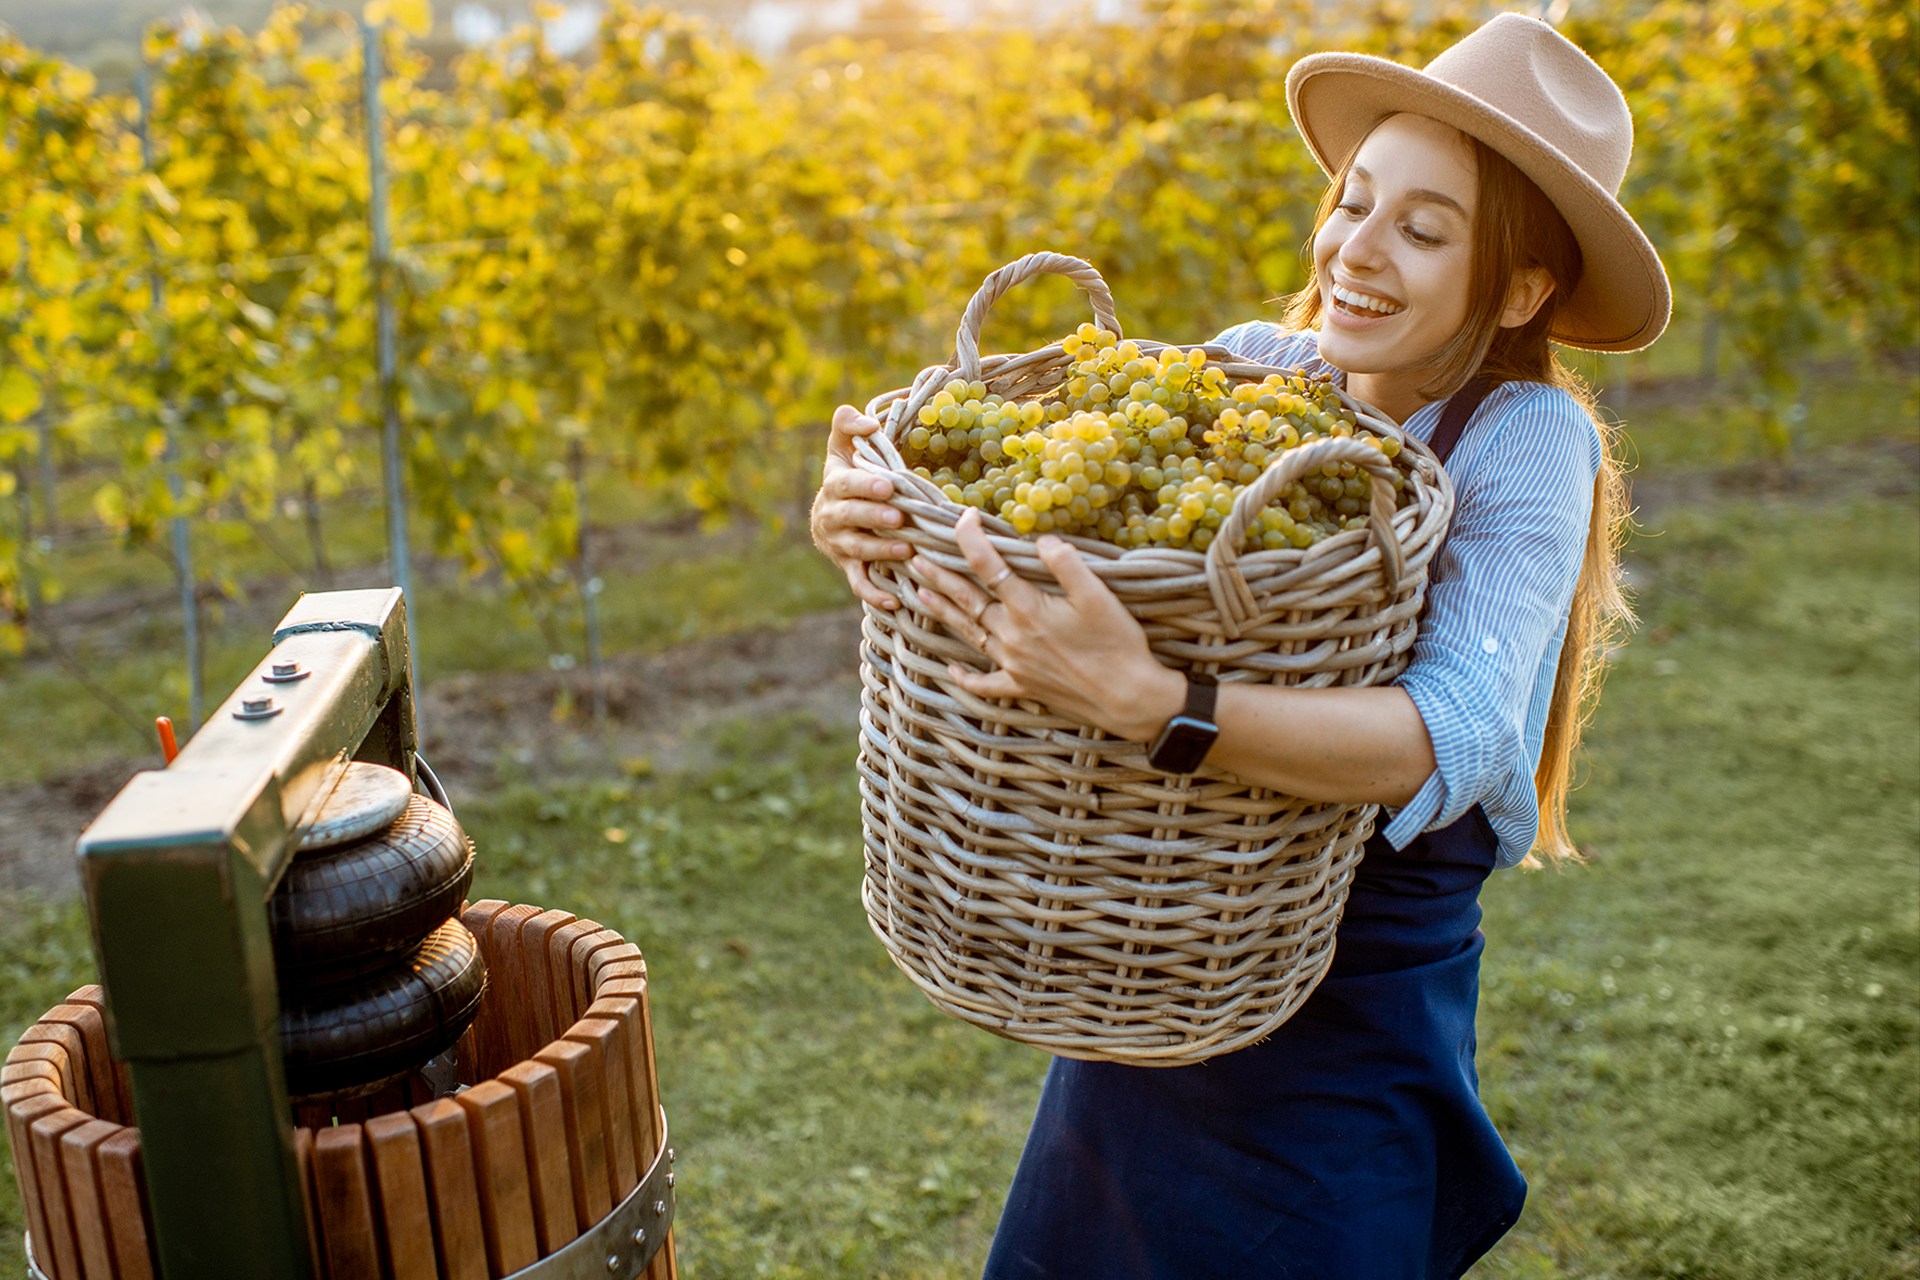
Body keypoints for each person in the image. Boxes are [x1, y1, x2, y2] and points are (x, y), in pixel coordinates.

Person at [810, 13, 1670, 1278]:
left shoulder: (1523, 434)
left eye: (1423, 231)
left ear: (1524, 286)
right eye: (1353, 202)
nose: (1355, 253)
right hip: (1156, 954)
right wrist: (879, 522)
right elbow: (1042, 528)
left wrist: (1166, 706)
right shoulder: (1259, 368)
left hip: (1347, 1025)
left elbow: (1456, 728)